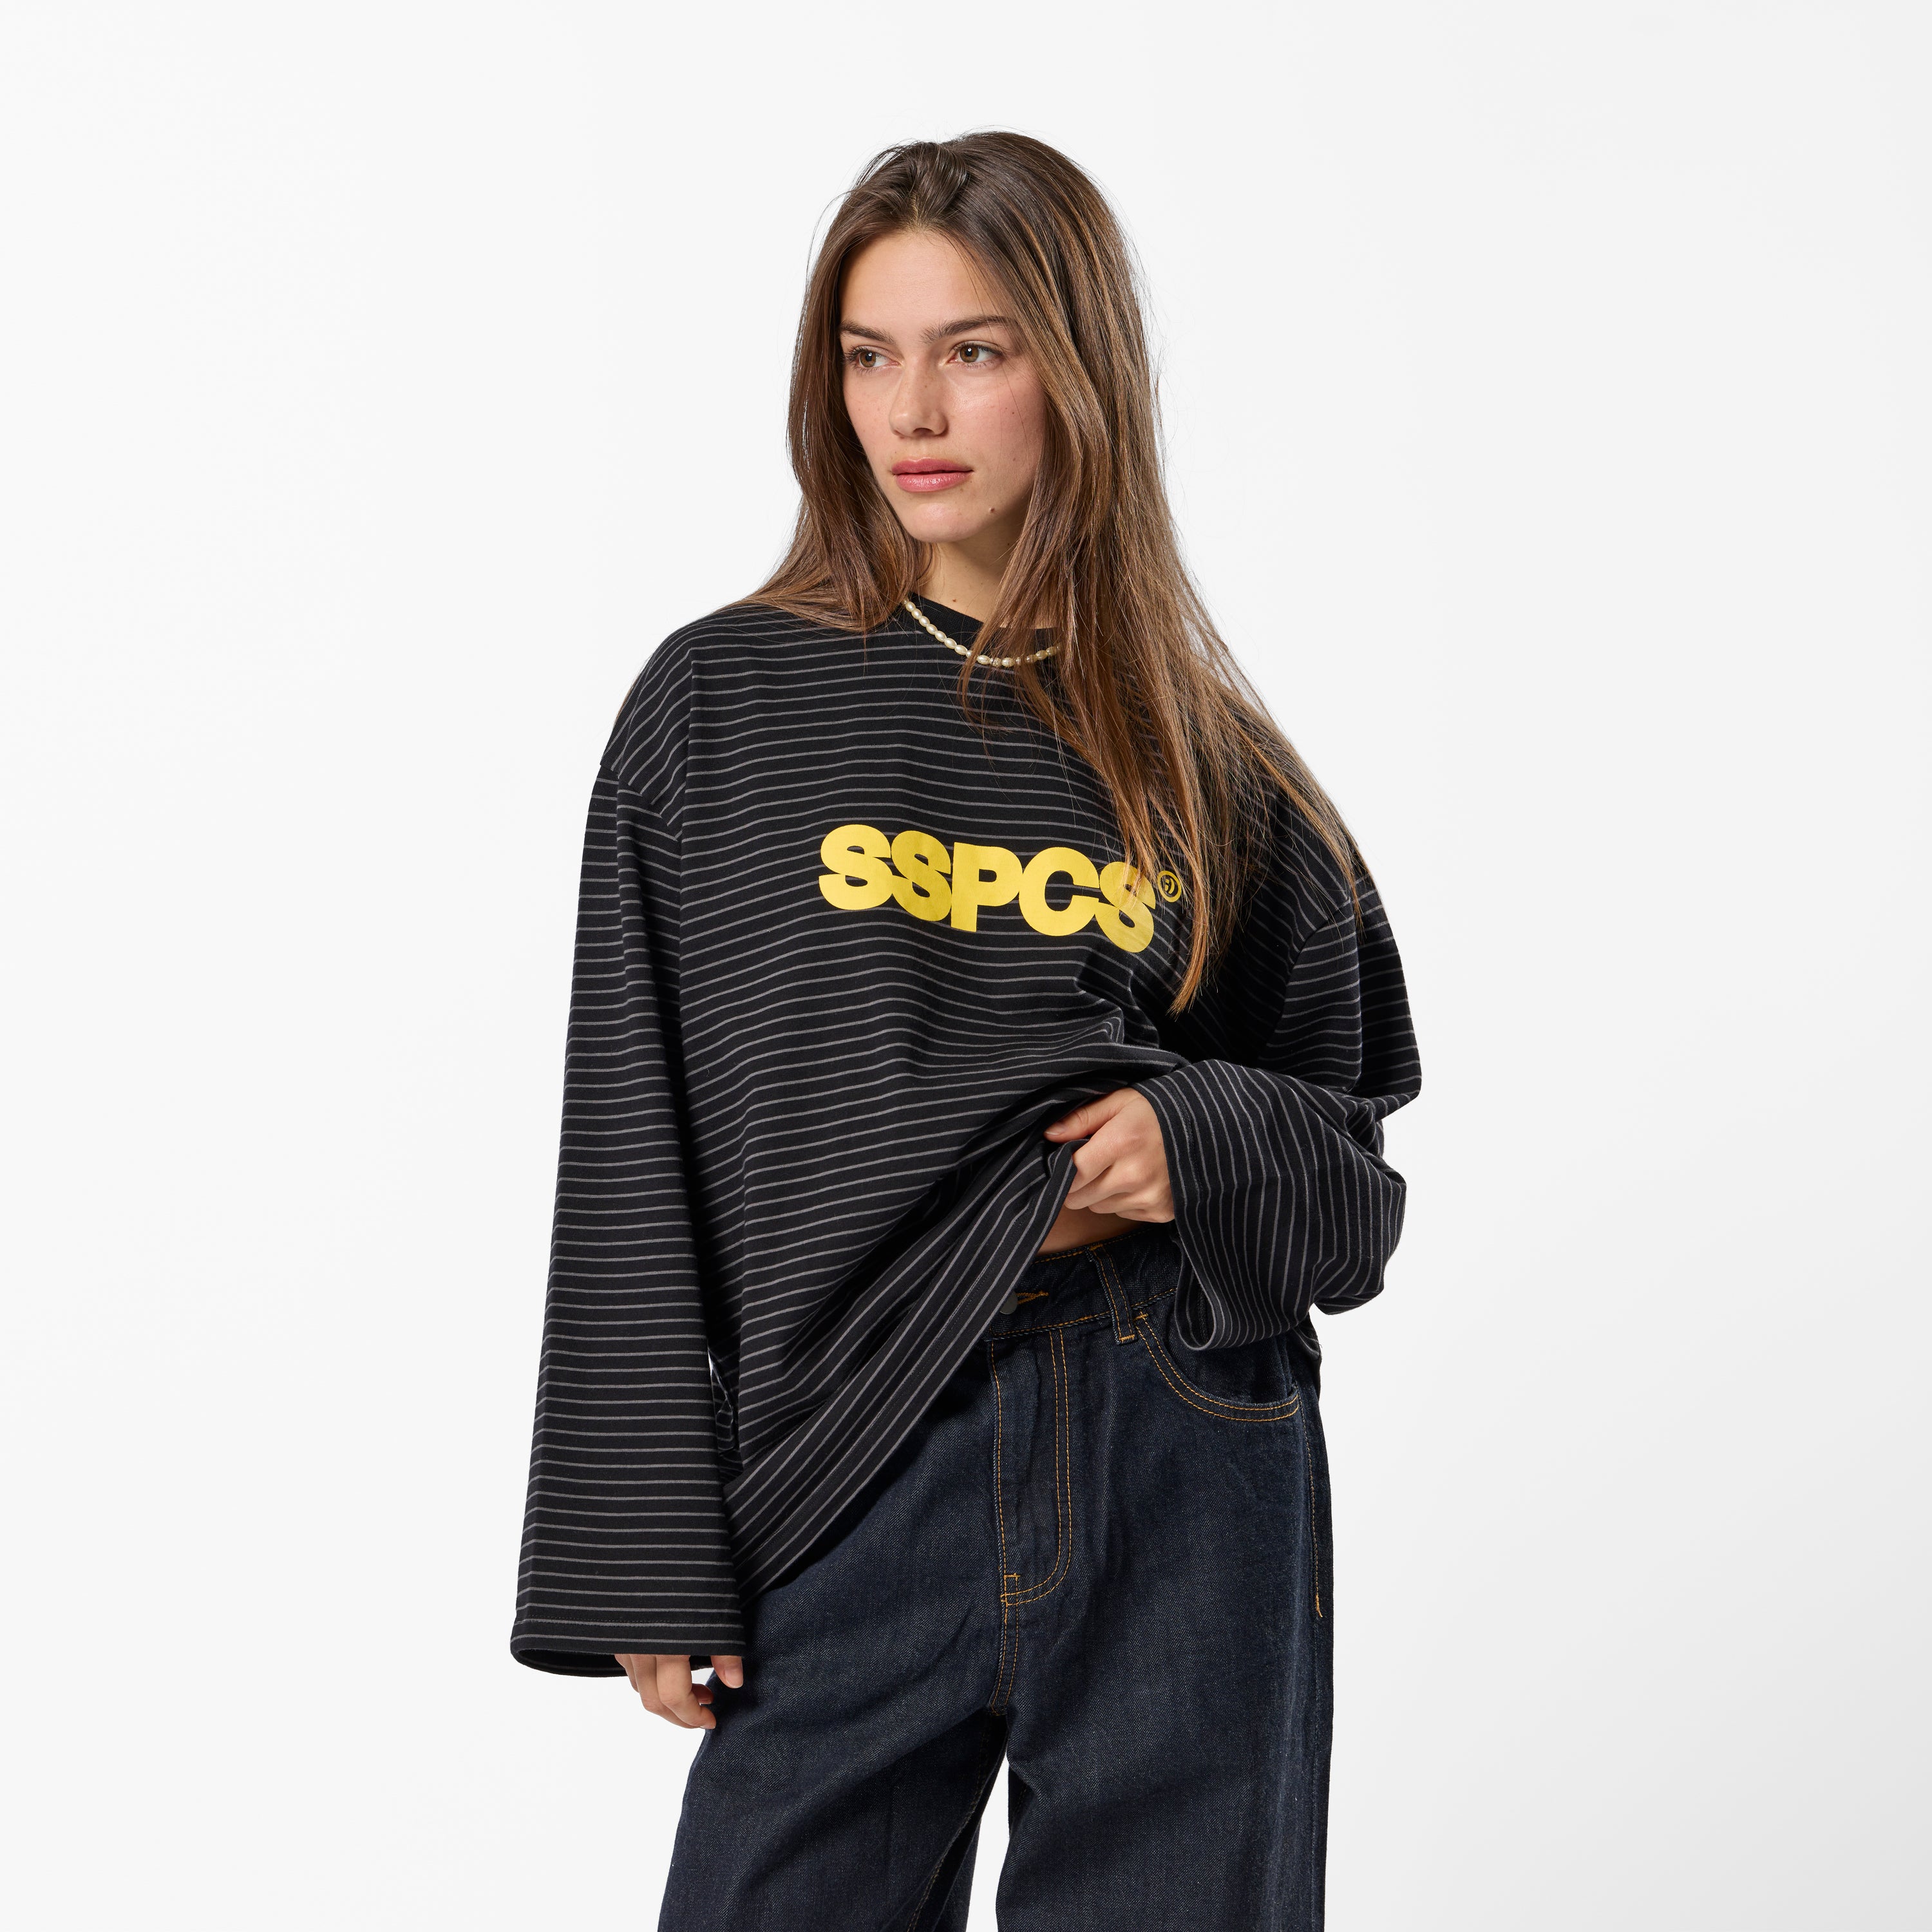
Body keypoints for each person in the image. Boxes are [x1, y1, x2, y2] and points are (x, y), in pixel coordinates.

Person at [511, 131, 1421, 1930]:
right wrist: (645, 1545)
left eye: (974, 350)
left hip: (1180, 1424)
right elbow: (632, 1137)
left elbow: (1353, 1190)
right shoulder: (726, 702)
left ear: (1076, 374)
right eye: (871, 355)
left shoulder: (1209, 759)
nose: (912, 410)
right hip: (859, 1436)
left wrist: (1201, 1138)